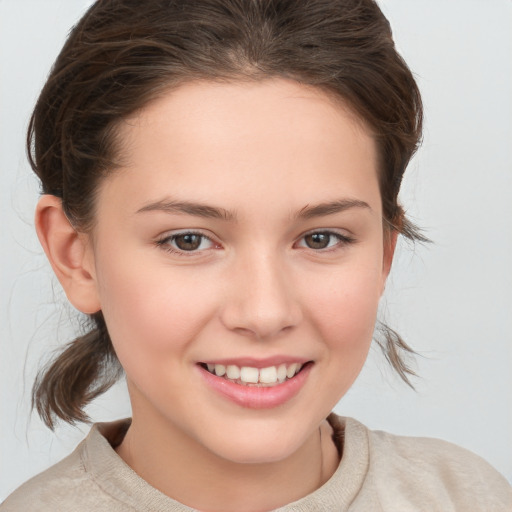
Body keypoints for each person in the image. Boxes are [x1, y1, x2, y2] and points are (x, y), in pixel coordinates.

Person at [1, 0, 511, 510]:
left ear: (383, 252)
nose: (265, 313)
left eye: (321, 238)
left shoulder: (467, 497)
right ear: (75, 256)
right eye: (188, 240)